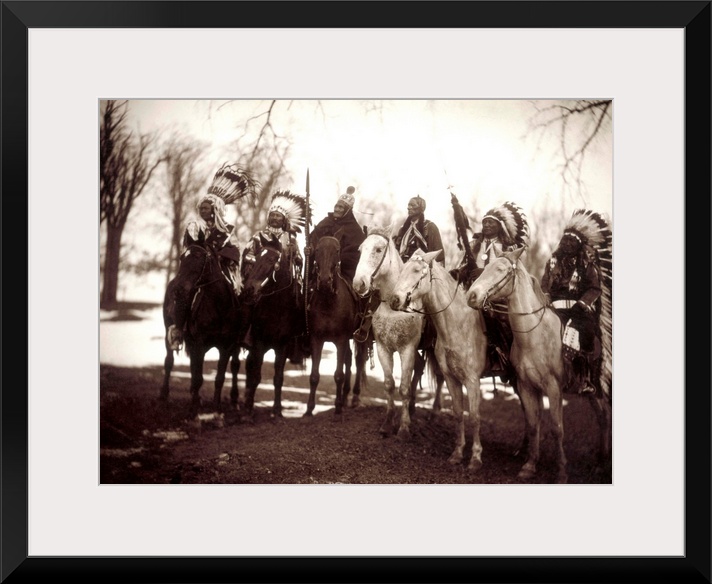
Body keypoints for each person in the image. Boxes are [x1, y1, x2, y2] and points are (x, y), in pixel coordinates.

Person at [168, 163, 259, 351]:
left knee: (238, 294)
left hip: (222, 269)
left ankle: (239, 334)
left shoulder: (228, 230)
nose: (203, 210)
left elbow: (234, 250)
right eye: (201, 207)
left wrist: (219, 257)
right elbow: (191, 247)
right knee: (183, 291)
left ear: (216, 210)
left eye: (207, 208)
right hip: (196, 269)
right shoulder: (194, 226)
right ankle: (179, 329)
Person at [452, 202, 530, 384]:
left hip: (498, 296)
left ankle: (503, 359)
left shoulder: (508, 248)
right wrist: (460, 272)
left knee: (497, 321)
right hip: (472, 293)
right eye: (484, 222)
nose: (486, 225)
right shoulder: (474, 245)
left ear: (500, 226)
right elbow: (464, 265)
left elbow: (510, 273)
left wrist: (483, 273)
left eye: (491, 223)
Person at [541, 210, 609, 395]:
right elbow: (545, 283)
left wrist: (583, 304)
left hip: (579, 310)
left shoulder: (586, 265)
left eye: (572, 241)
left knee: (586, 332)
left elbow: (594, 288)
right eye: (565, 240)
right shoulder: (553, 262)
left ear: (579, 245)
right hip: (554, 310)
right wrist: (545, 295)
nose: (568, 244)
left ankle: (585, 378)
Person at [242, 190, 305, 286]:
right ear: (268, 218)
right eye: (272, 215)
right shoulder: (258, 236)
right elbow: (248, 257)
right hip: (260, 281)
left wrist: (295, 256)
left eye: (278, 215)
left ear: (284, 220)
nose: (275, 218)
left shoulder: (290, 239)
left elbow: (299, 261)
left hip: (283, 282)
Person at [305, 186, 366, 286]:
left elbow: (356, 253)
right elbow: (314, 239)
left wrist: (336, 259)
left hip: (344, 273)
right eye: (336, 206)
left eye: (341, 207)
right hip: (320, 269)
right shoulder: (326, 222)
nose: (337, 209)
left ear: (348, 210)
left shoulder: (355, 229)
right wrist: (310, 249)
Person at [392, 195, 444, 264]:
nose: (408, 208)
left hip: (421, 269)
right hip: (402, 266)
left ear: (421, 208)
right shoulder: (403, 229)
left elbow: (438, 255)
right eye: (408, 205)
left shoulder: (430, 227)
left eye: (412, 205)